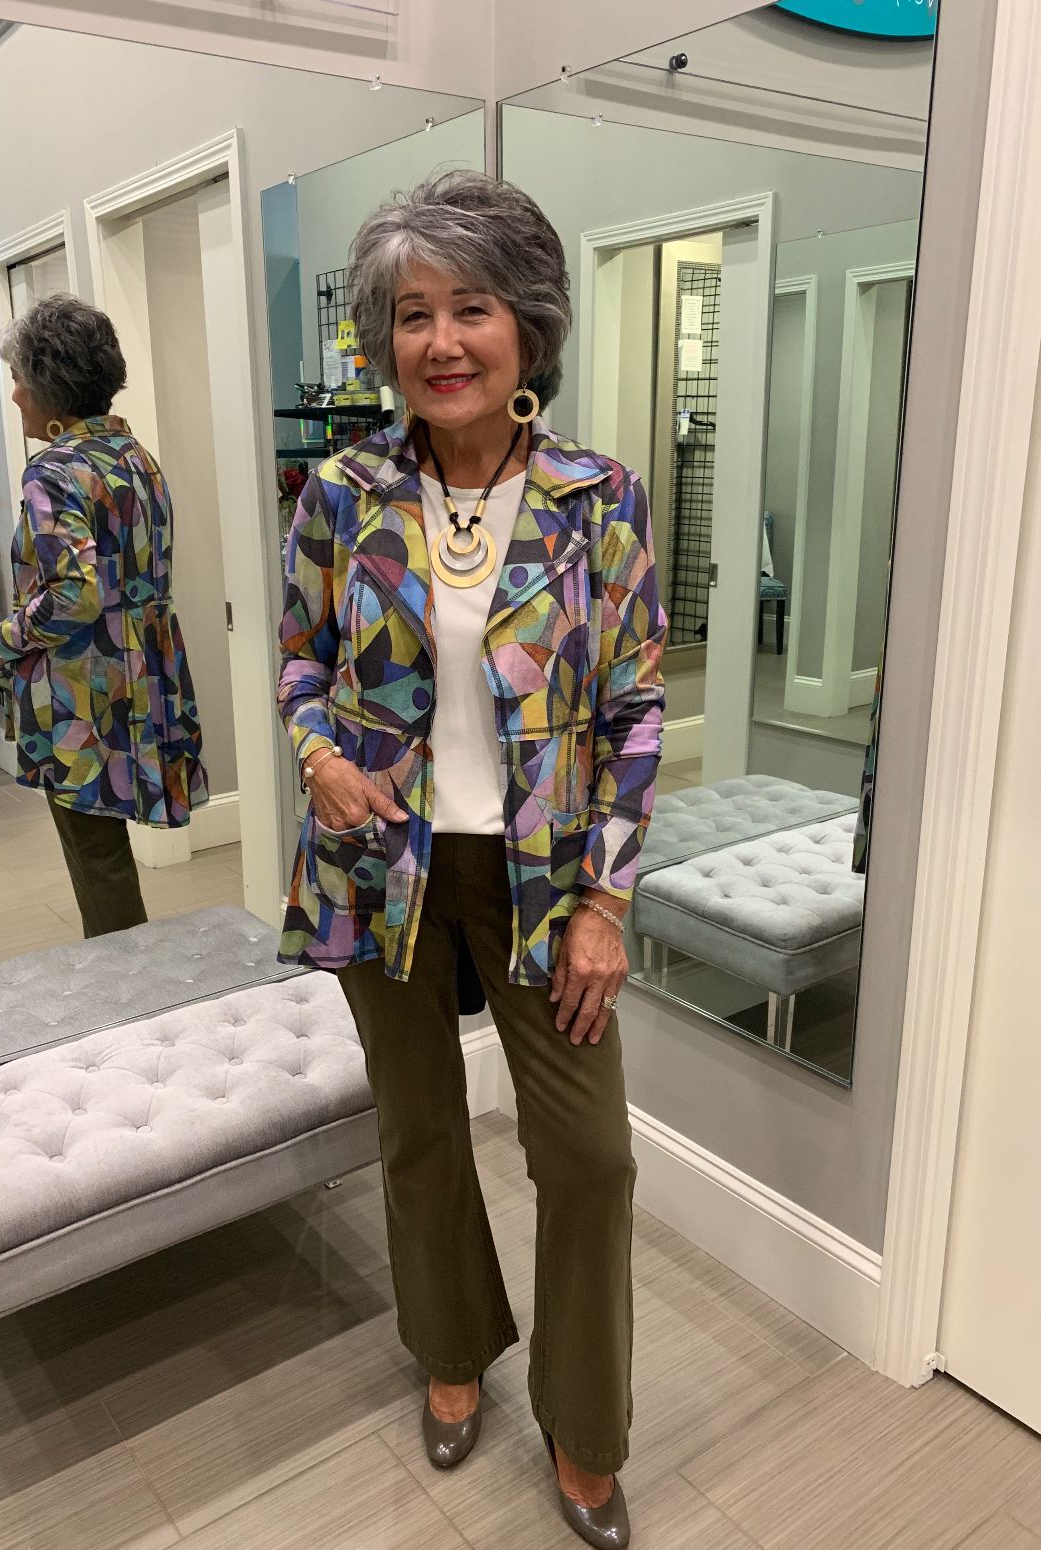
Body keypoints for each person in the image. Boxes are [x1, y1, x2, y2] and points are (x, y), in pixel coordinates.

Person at [276, 170, 666, 1549]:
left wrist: (606, 897)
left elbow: (634, 709)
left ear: (528, 327)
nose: (439, 340)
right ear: (382, 337)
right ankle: (448, 1344)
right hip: (380, 861)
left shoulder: (594, 498)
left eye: (471, 307)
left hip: (544, 874)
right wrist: (316, 748)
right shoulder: (338, 493)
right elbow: (300, 661)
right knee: (418, 1126)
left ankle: (586, 1419)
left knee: (591, 1158)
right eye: (410, 312)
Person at [0, 294, 207, 937]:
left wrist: (7, 636)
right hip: (144, 673)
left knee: (97, 857)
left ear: (48, 386)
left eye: (19, 380)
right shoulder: (135, 457)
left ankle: (128, 993)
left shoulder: (52, 473)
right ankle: (131, 977)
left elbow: (75, 594)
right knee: (106, 851)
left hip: (81, 690)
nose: (15, 397)